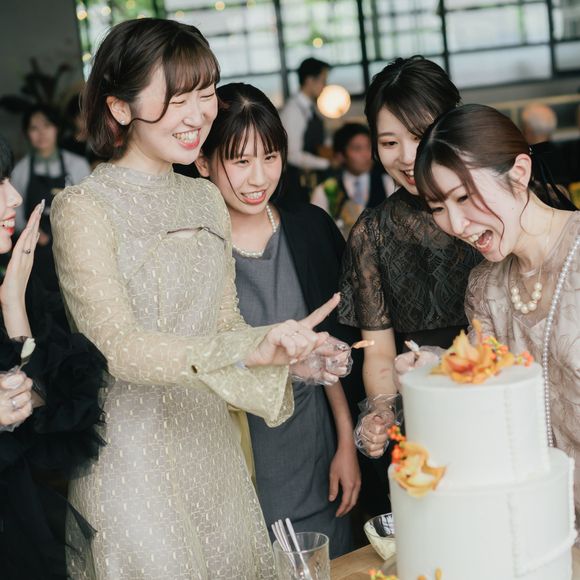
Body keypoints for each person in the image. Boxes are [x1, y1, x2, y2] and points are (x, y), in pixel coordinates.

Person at [50, 19, 350, 579]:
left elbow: (224, 322)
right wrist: (245, 350)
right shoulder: (83, 207)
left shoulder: (204, 199)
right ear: (119, 108)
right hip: (133, 462)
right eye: (177, 98)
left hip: (215, 450)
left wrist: (283, 352)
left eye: (206, 93)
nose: (198, 115)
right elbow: (116, 348)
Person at [195, 82, 361, 558]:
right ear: (203, 162)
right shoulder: (194, 250)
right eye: (240, 160)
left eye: (270, 157)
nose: (258, 177)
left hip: (316, 450)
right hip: (237, 460)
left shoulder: (309, 228)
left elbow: (330, 348)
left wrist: (345, 443)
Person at [409, 102, 579, 535]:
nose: (455, 224)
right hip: (538, 526)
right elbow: (485, 398)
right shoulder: (485, 287)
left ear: (518, 173)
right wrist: (436, 370)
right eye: (437, 207)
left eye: (464, 197)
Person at [338, 56, 482, 461]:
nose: (407, 157)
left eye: (421, 137)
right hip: (426, 409)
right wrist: (382, 410)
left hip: (502, 389)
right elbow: (380, 351)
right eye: (389, 143)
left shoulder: (492, 206)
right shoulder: (372, 233)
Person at [0, 133, 106, 579]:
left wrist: (13, 306)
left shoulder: (16, 287)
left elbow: (51, 415)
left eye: (8, 179)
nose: (14, 197)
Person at [11, 105, 91, 291]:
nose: (41, 133)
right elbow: (15, 213)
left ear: (57, 129)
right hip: (35, 253)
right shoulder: (21, 170)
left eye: (47, 126)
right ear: (27, 133)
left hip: (73, 249)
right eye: (34, 128)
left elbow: (88, 208)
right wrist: (32, 232)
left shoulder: (77, 165)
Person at [311, 123, 396, 237]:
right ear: (341, 155)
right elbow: (317, 230)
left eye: (368, 147)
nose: (366, 154)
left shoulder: (388, 183)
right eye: (357, 149)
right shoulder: (325, 190)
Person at [280, 57, 332, 207]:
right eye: (323, 80)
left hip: (312, 179)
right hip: (297, 183)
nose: (325, 86)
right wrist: (326, 163)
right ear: (309, 80)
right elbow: (292, 155)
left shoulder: (311, 107)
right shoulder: (293, 110)